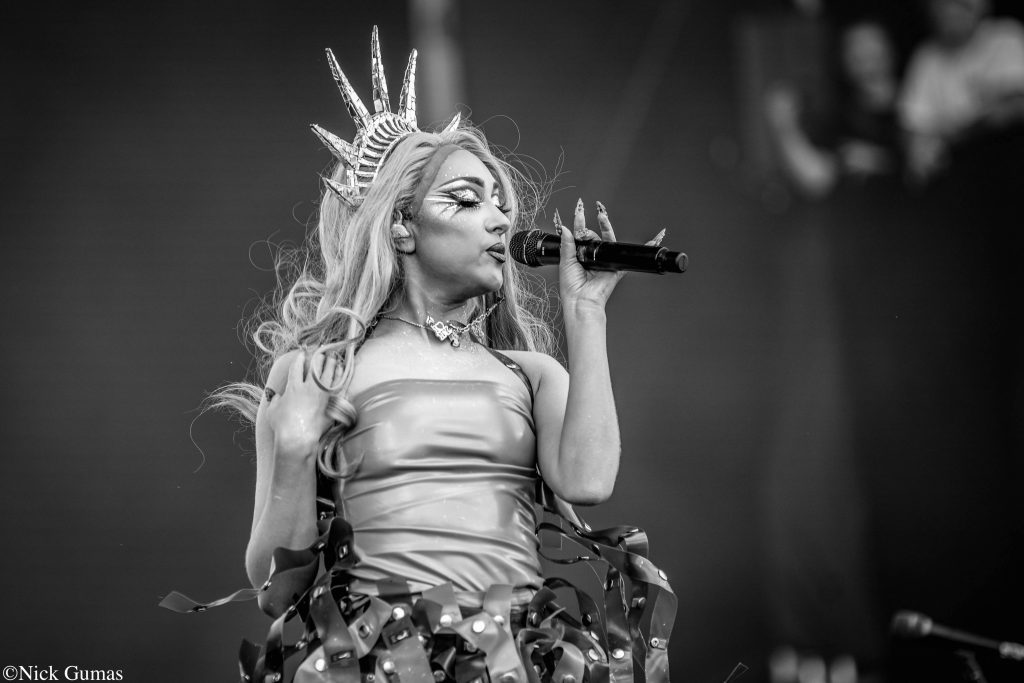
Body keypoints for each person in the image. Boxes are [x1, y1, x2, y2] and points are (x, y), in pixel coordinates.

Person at [161, 27, 675, 683]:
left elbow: (589, 483)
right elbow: (275, 592)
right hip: (382, 662)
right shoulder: (321, 372)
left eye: (500, 204)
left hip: (510, 662)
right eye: (466, 200)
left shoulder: (529, 374)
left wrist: (587, 313)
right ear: (401, 226)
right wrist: (293, 448)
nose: (500, 220)